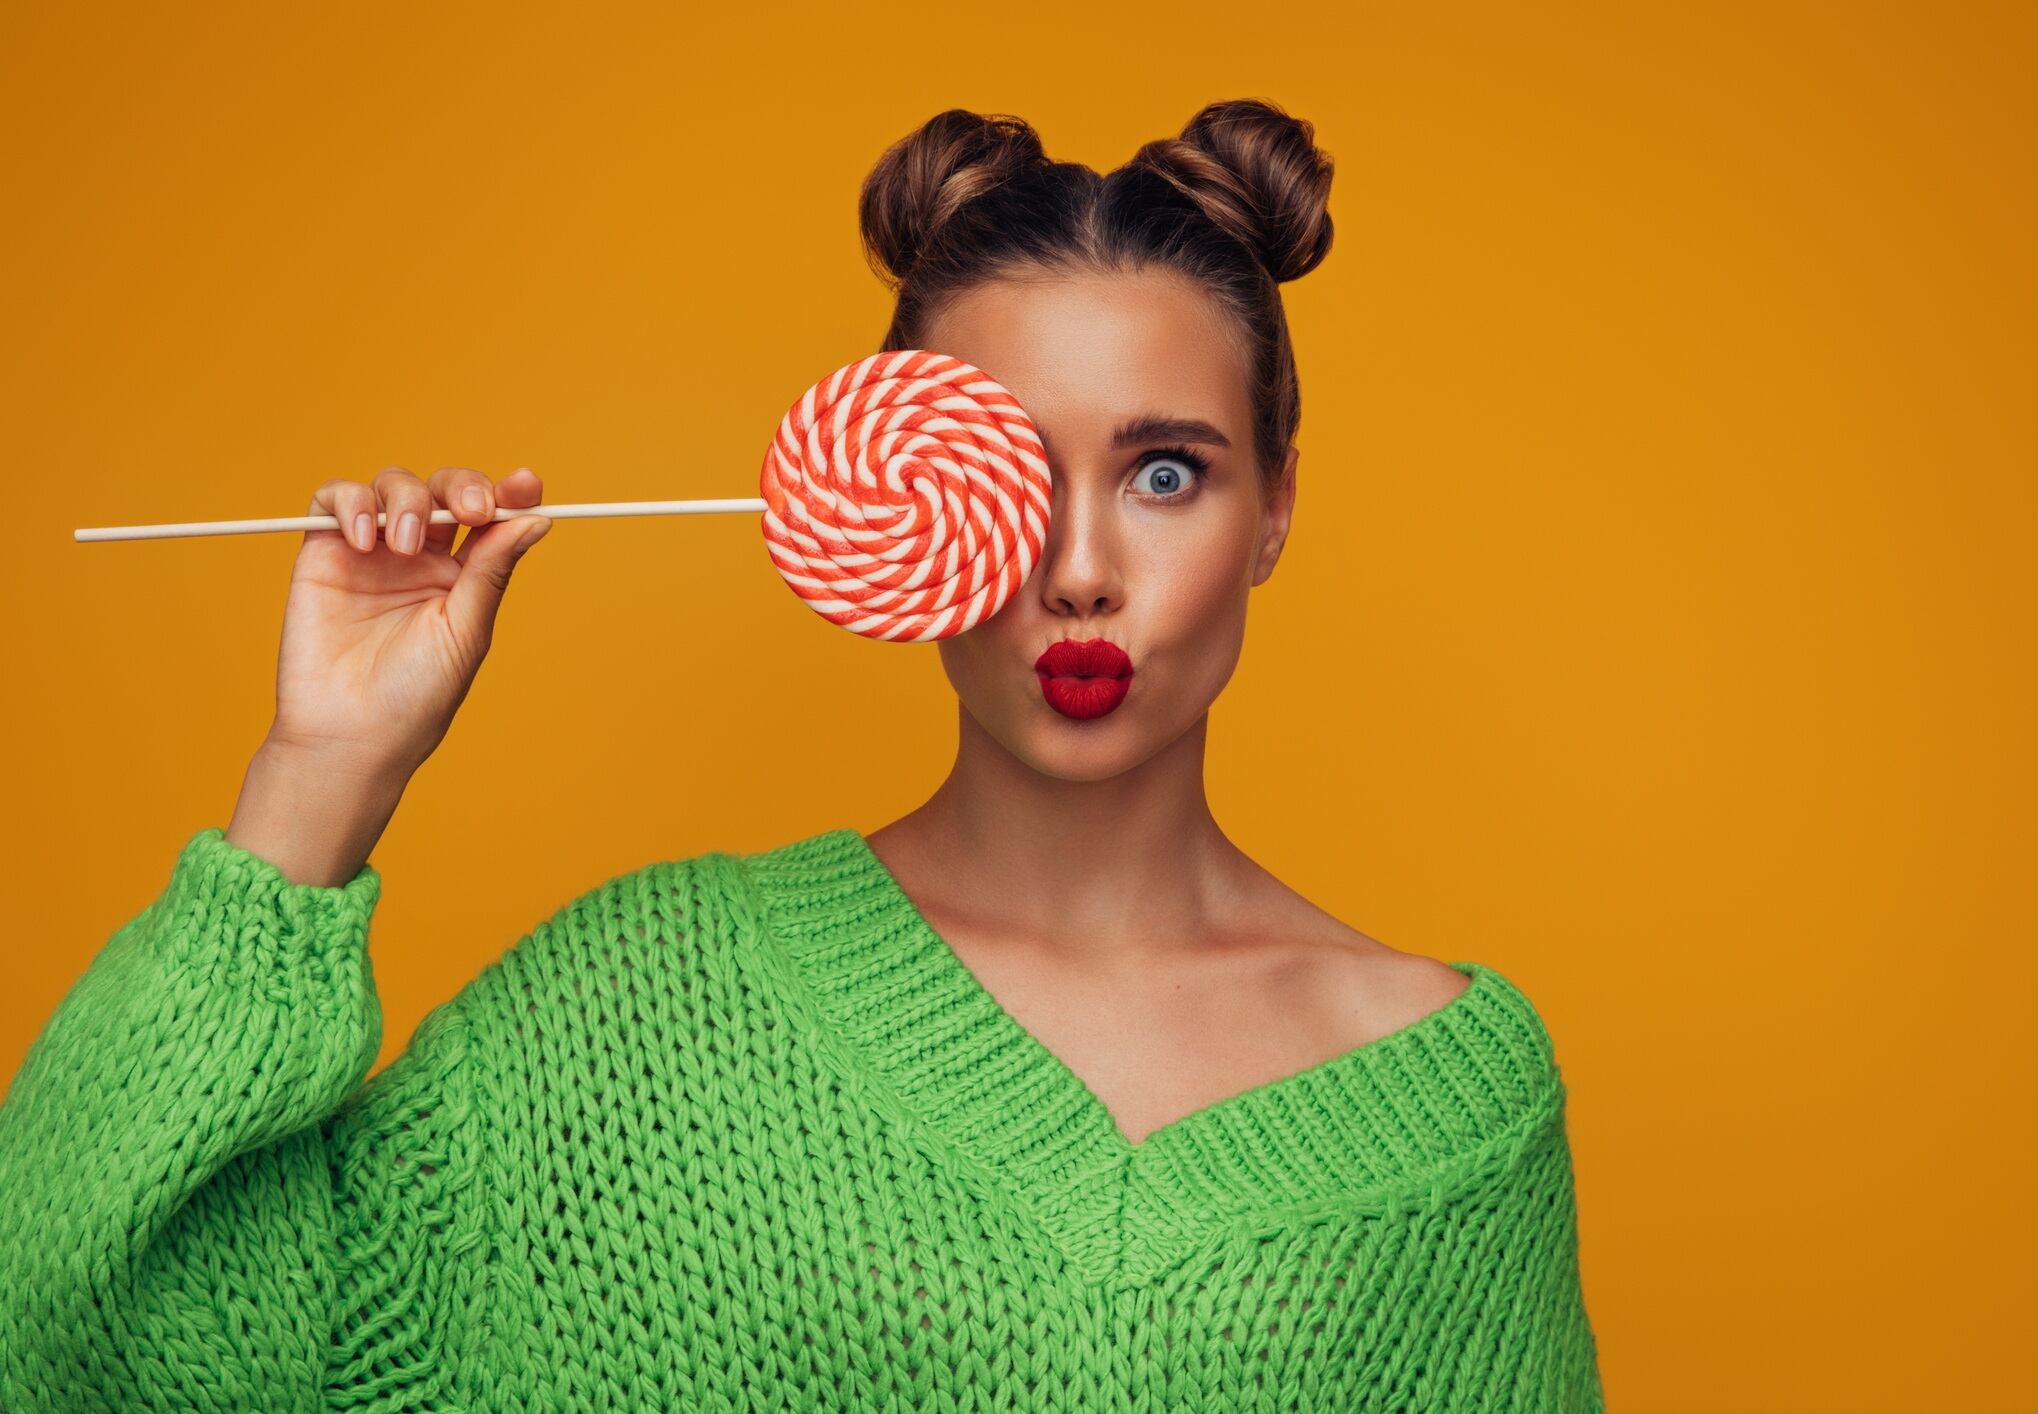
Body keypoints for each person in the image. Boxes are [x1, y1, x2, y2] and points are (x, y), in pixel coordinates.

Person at [0, 98, 1603, 1410]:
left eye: (1166, 472)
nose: (1079, 564)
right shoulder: (641, 997)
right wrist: (322, 767)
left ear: (1275, 513)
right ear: (890, 503)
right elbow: (82, 1326)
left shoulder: (1449, 1093)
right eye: (1002, 468)